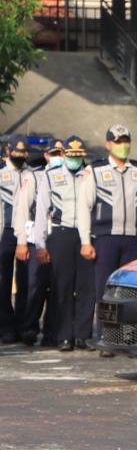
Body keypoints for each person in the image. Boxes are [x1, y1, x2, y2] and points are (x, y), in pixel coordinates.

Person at [78, 125, 137, 355]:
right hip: (105, 239)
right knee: (105, 290)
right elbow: (84, 207)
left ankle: (128, 338)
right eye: (118, 140)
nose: (123, 144)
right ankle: (105, 337)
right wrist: (85, 241)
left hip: (133, 239)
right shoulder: (96, 170)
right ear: (108, 144)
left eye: (126, 139)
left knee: (130, 291)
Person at [35, 137, 95, 352]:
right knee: (62, 287)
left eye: (78, 157)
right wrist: (40, 243)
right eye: (71, 156)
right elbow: (42, 210)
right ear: (64, 155)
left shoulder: (89, 175)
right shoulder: (52, 176)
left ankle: (83, 335)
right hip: (61, 234)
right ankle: (64, 336)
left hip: (85, 234)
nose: (74, 160)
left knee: (86, 288)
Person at [14, 139, 63, 346]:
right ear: (46, 155)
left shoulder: (67, 177)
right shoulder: (35, 176)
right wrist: (21, 241)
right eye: (54, 153)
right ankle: (30, 328)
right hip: (36, 238)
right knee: (36, 285)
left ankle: (52, 331)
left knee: (57, 286)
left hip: (59, 237)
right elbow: (23, 208)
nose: (58, 157)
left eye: (61, 153)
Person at [0, 135, 31, 344]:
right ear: (7, 150)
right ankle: (6, 326)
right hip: (5, 232)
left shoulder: (33, 175)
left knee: (27, 281)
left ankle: (24, 325)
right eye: (16, 151)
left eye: (23, 152)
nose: (19, 155)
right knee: (2, 281)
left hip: (28, 234)